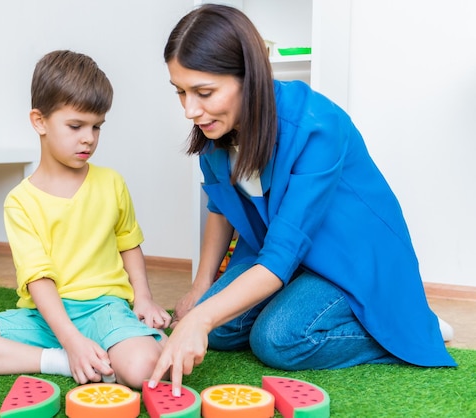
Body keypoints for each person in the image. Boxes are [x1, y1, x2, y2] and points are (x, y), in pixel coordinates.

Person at [148, 4, 456, 396]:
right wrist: (199, 290)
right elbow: (219, 208)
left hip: (347, 259)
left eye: (204, 92)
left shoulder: (317, 125)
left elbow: (278, 259)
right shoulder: (213, 130)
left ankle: (408, 325)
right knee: (220, 328)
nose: (191, 110)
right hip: (284, 257)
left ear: (249, 76)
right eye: (181, 92)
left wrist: (199, 319)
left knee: (277, 339)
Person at [0, 50, 171, 389]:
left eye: (97, 126)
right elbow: (38, 279)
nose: (89, 138)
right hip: (42, 318)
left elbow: (129, 243)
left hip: (105, 309)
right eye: (75, 126)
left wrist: (142, 297)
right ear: (39, 121)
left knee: (142, 371)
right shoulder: (19, 202)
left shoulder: (112, 182)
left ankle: (112, 347)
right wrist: (69, 343)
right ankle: (62, 361)